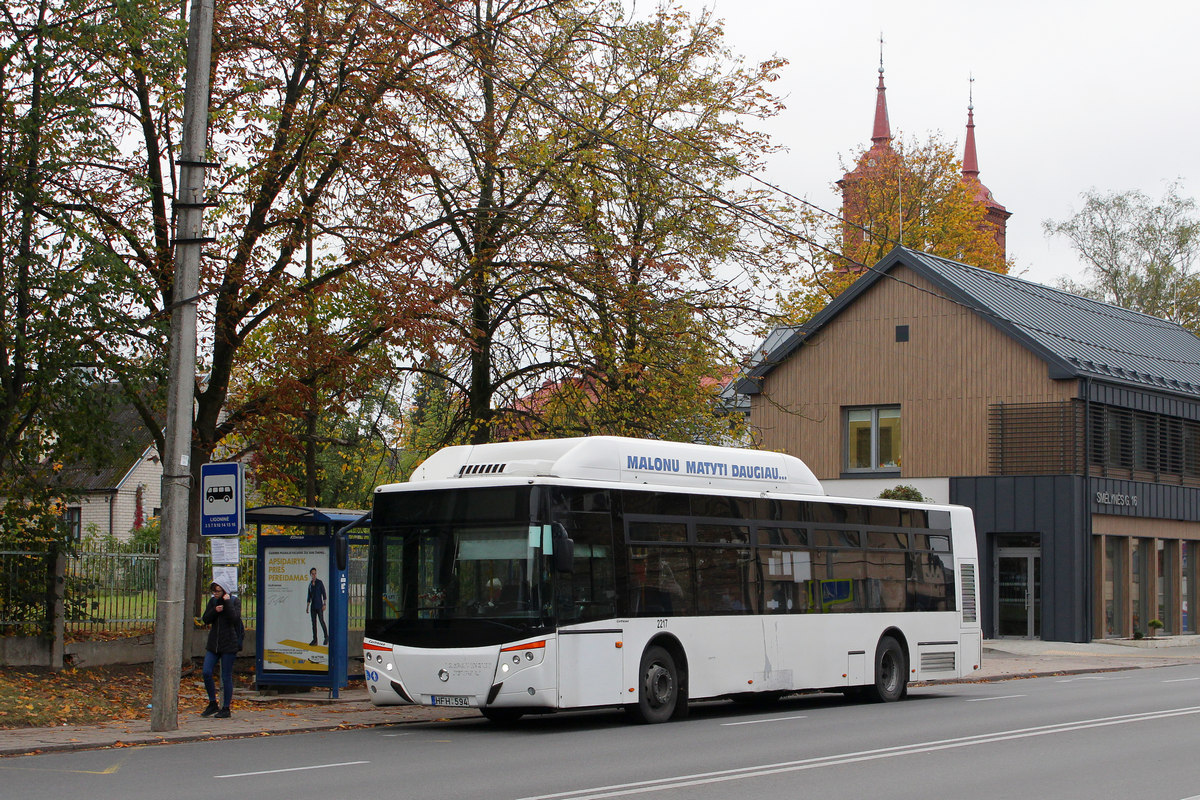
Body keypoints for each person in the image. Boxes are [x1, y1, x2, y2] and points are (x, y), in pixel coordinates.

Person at [201, 580, 242, 719]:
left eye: (218, 591)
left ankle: (226, 707)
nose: (215, 594)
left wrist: (228, 603)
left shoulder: (235, 601)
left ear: (224, 591)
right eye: (214, 591)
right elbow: (205, 619)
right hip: (214, 644)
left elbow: (234, 619)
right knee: (206, 671)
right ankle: (212, 702)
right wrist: (214, 611)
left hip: (229, 643)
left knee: (226, 675)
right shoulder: (213, 602)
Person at [306, 567, 328, 646]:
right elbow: (309, 597)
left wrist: (324, 604)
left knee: (321, 621)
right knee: (313, 624)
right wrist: (307, 606)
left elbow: (324, 593)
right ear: (310, 575)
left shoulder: (319, 582)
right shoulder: (310, 585)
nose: (314, 575)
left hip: (319, 606)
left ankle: (326, 637)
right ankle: (315, 640)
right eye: (312, 574)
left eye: (315, 573)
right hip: (313, 607)